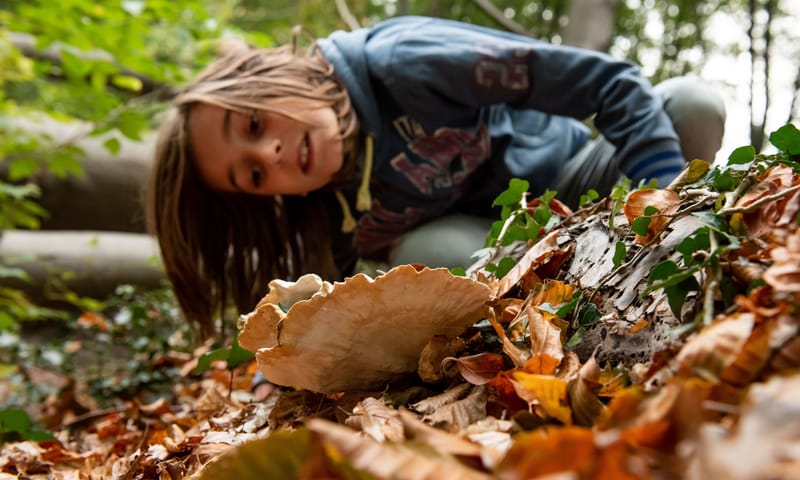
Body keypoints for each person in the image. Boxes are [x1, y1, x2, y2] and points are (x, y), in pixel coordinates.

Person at [146, 16, 726, 336]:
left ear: (272, 72)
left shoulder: (407, 61)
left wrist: (667, 202)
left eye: (251, 122)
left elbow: (610, 84)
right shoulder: (324, 214)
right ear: (264, 199)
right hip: (502, 260)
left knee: (695, 107)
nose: (270, 152)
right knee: (426, 253)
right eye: (251, 175)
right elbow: (307, 322)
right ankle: (572, 317)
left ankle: (649, 258)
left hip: (580, 186)